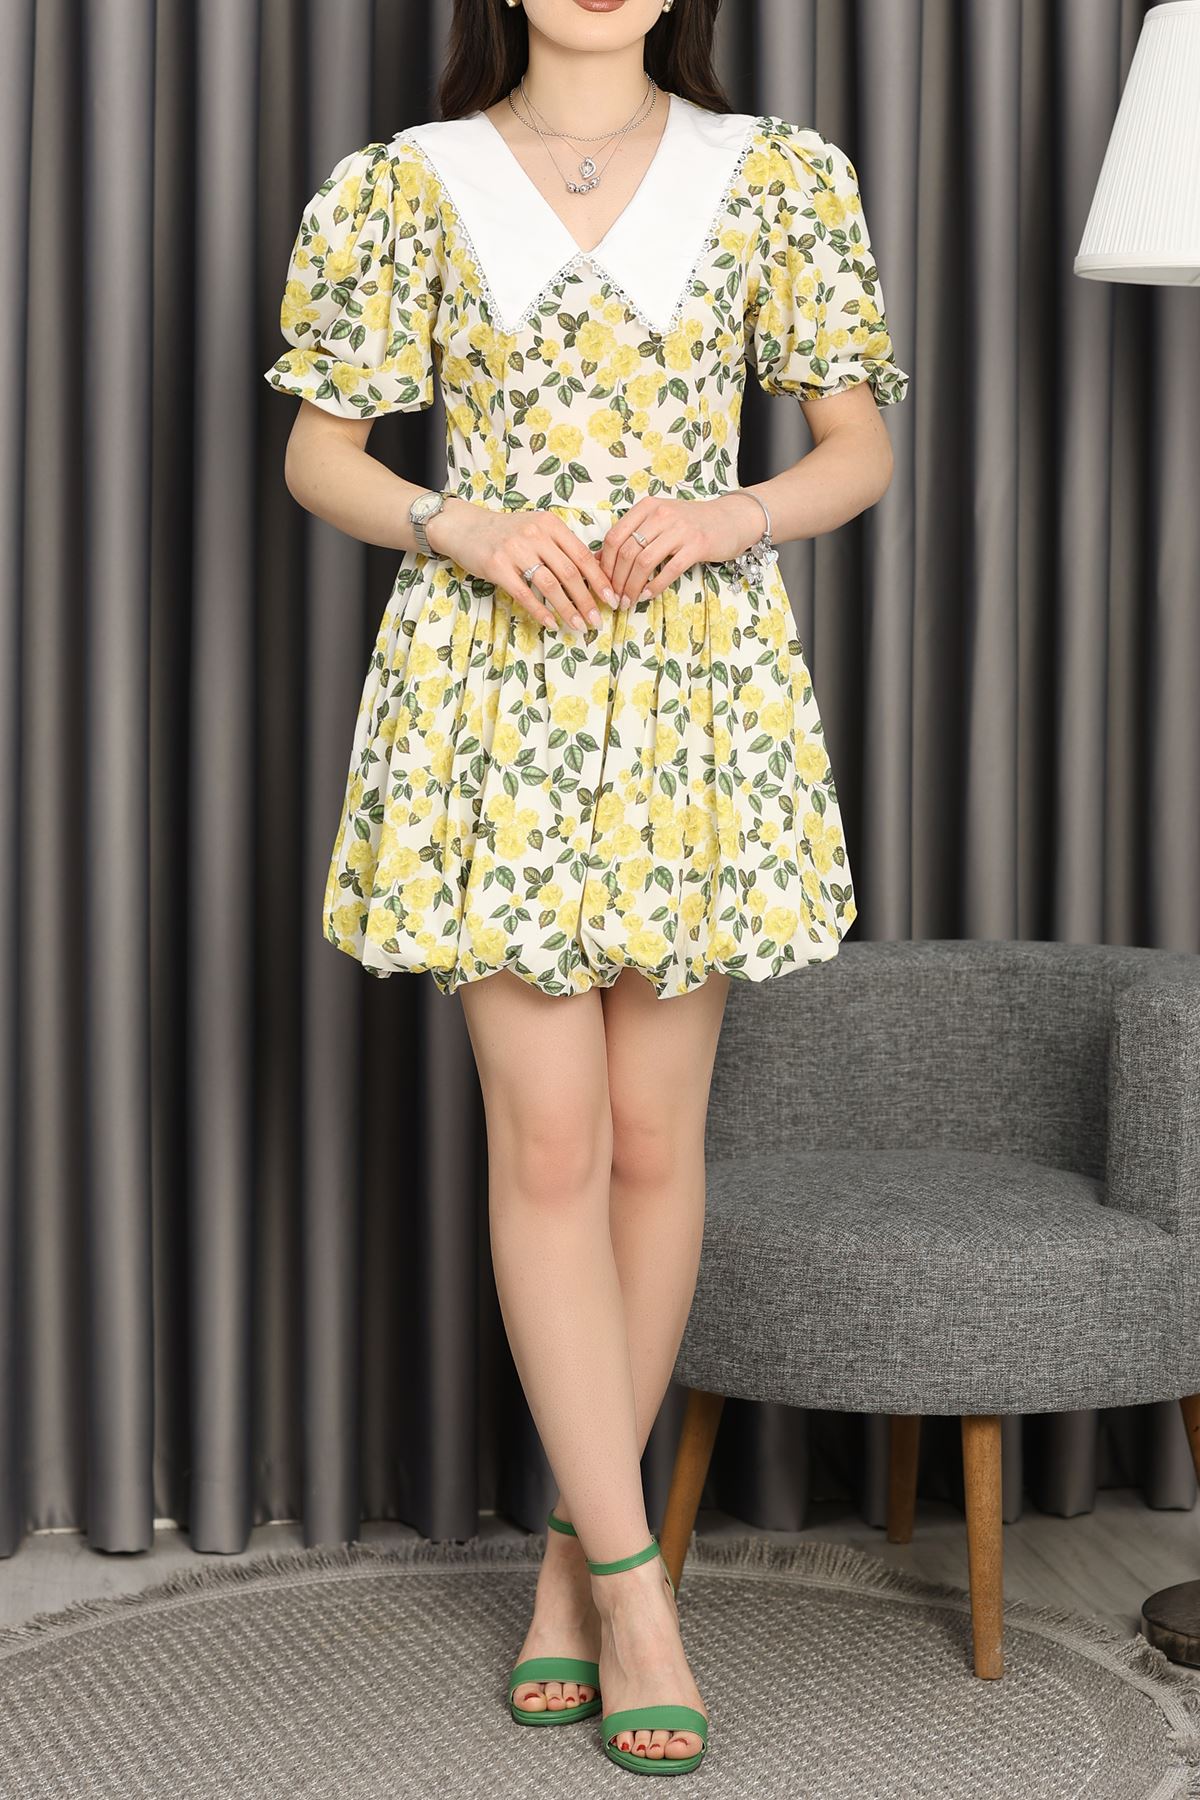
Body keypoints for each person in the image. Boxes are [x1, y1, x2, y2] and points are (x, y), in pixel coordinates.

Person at [264, 0, 909, 1776]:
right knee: (546, 1144)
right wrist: (459, 522)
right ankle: (640, 1591)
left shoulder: (777, 177)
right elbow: (321, 451)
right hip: (492, 692)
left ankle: (577, 1555)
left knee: (647, 1142)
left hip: (694, 687)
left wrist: (735, 514)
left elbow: (855, 447)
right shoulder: (407, 183)